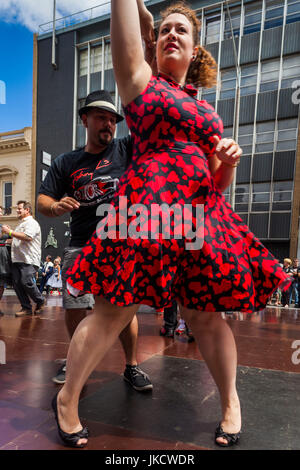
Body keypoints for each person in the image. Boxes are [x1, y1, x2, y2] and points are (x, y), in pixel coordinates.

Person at [53, 0, 292, 448]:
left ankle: (230, 404)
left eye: (181, 29)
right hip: (147, 209)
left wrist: (226, 163)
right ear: (153, 42)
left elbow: (218, 182)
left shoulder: (203, 106)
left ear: (195, 46)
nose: (171, 35)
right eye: (163, 30)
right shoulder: (141, 81)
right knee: (113, 310)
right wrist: (140, 12)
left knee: (206, 316)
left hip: (202, 213)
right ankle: (67, 400)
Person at [37, 90, 152, 389]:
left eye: (113, 120)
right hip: (81, 245)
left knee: (125, 310)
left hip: (121, 246)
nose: (108, 125)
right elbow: (42, 200)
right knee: (75, 307)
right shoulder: (67, 162)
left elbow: (152, 126)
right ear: (85, 119)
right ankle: (75, 360)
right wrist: (55, 206)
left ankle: (132, 366)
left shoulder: (126, 149)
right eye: (101, 117)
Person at [1, 200, 44, 317]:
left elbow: (27, 237)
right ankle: (26, 308)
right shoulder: (21, 224)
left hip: (28, 259)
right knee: (17, 284)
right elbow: (17, 239)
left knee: (26, 282)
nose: (17, 211)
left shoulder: (31, 223)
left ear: (27, 210)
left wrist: (10, 232)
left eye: (19, 209)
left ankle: (40, 301)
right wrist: (9, 237)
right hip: (17, 259)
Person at [0, 206, 12, 315]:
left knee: (1, 282)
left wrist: (9, 232)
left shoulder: (3, 226)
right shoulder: (3, 228)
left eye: (0, 212)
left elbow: (13, 238)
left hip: (2, 254)